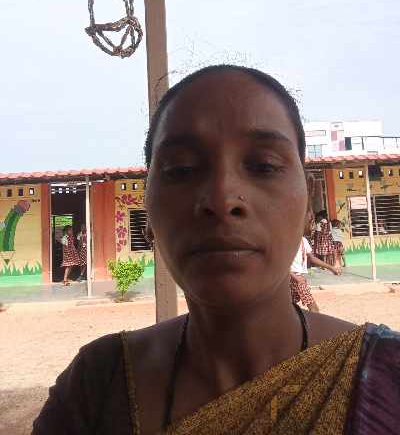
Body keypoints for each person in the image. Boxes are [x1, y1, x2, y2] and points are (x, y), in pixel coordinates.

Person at [33, 65, 400, 434]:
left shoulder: (388, 376)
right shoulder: (96, 387)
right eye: (181, 169)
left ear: (308, 203)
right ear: (148, 214)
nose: (223, 199)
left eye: (264, 165)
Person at [290, 236, 340, 312]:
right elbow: (281, 263)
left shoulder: (303, 240)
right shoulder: (286, 240)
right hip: (294, 278)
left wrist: (331, 268)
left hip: (298, 277)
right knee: (313, 307)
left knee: (290, 305)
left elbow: (312, 258)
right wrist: (295, 277)